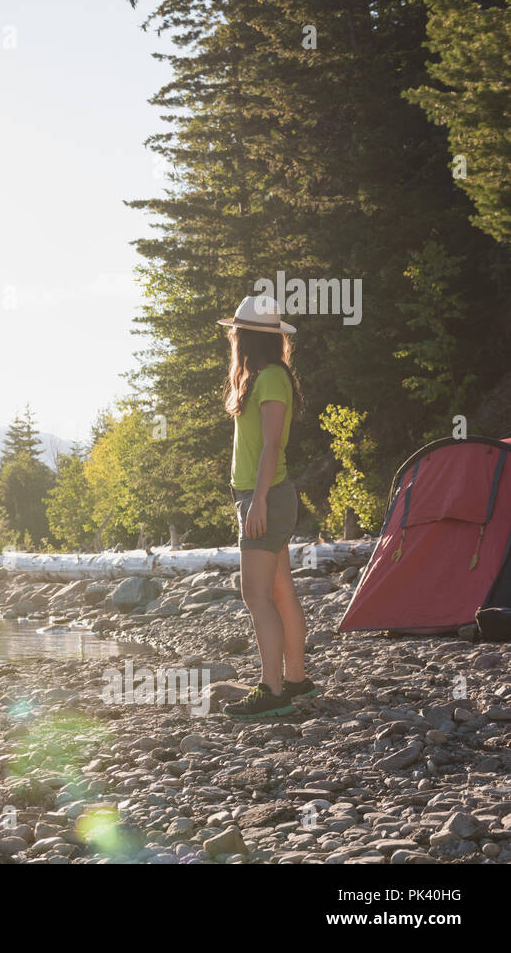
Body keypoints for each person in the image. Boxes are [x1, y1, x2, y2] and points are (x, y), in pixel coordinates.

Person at [215, 296, 318, 719]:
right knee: (279, 591)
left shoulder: (272, 378)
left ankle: (272, 689)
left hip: (268, 495)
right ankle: (296, 680)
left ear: (248, 336)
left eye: (236, 331)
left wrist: (256, 500)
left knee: (255, 594)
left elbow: (273, 445)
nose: (232, 336)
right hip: (263, 495)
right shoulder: (259, 376)